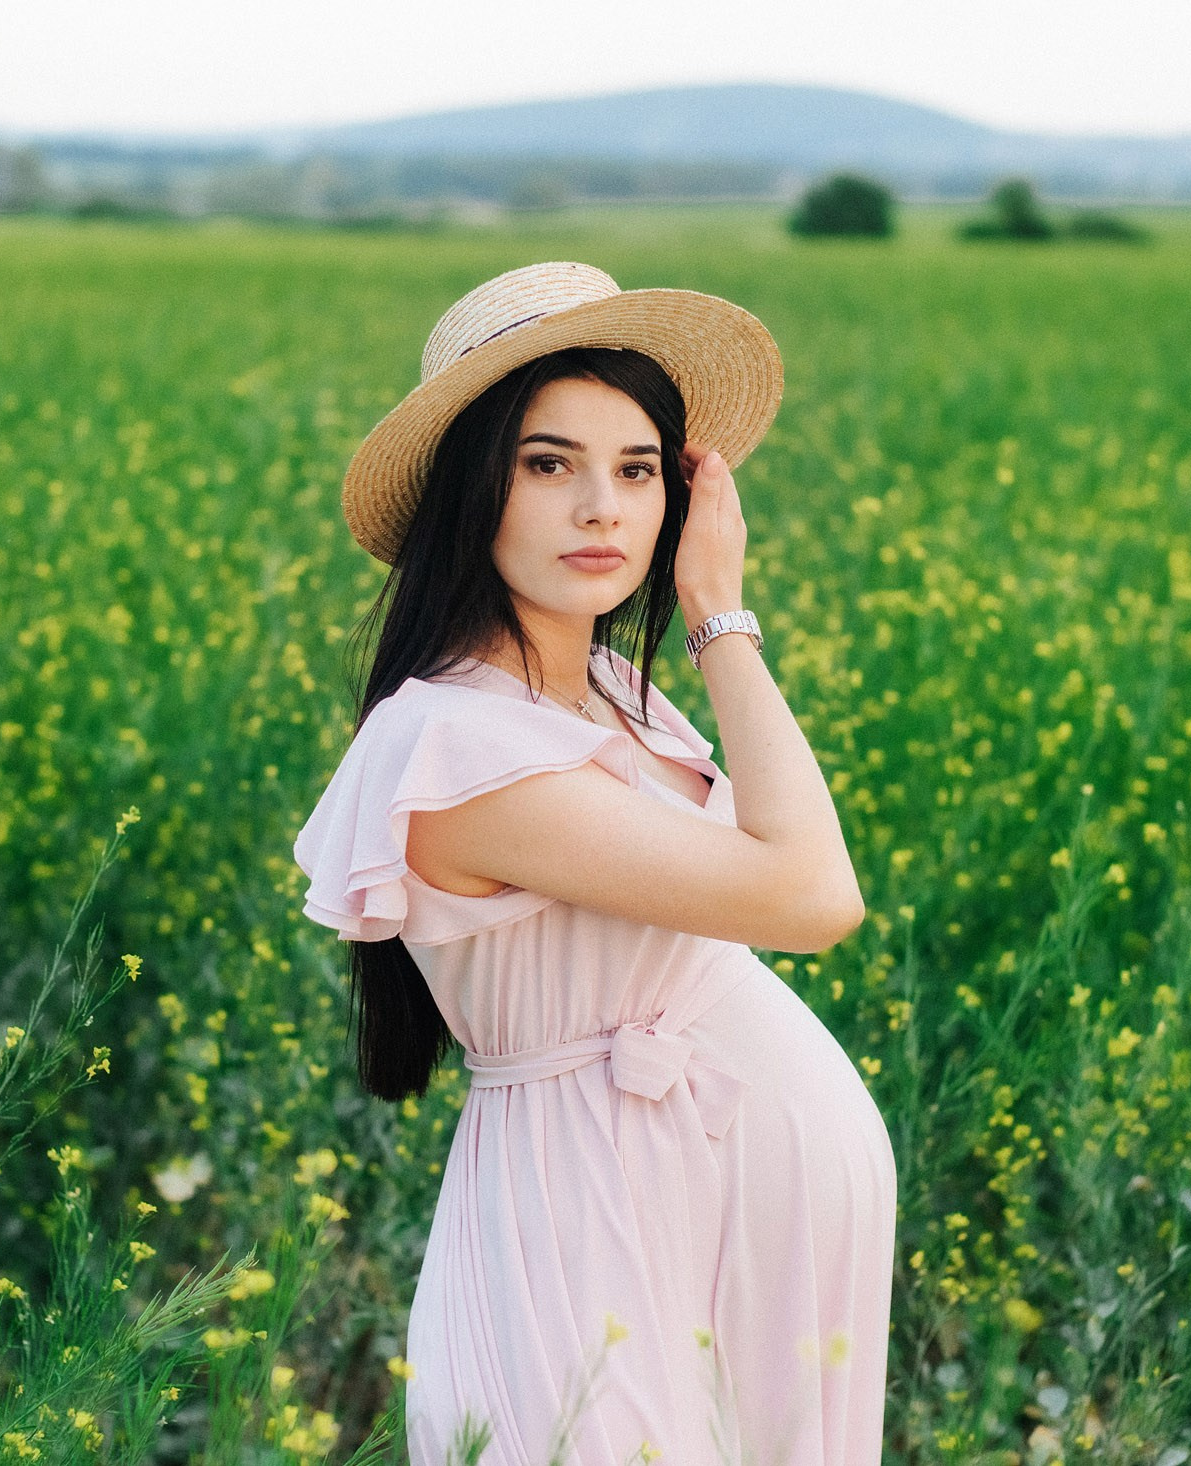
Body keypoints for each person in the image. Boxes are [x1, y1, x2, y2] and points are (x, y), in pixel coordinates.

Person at [292, 261, 895, 1465]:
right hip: (593, 1223)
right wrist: (720, 614)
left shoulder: (611, 692)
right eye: (548, 463)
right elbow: (812, 896)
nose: (602, 509)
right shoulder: (453, 743)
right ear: (473, 491)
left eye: (635, 470)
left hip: (707, 1221)